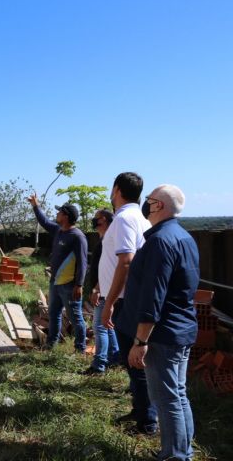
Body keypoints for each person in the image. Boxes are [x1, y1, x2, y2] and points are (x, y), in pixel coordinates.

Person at [118, 185, 199, 460]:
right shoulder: (184, 237)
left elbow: (153, 296)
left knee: (166, 400)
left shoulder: (159, 242)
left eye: (149, 200)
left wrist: (140, 341)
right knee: (177, 395)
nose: (145, 204)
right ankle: (182, 451)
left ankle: (175, 455)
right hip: (180, 330)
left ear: (159, 206)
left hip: (162, 335)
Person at [99, 172, 157, 435]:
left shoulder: (123, 219)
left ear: (117, 189)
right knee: (133, 362)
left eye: (112, 189)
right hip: (131, 299)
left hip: (124, 301)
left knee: (134, 362)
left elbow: (126, 261)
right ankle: (141, 411)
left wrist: (109, 301)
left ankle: (147, 422)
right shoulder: (141, 219)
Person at [28, 194, 88, 352]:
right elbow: (44, 221)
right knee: (54, 314)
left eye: (59, 212)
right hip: (55, 282)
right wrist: (35, 206)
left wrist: (79, 284)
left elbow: (83, 262)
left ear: (66, 216)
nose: (56, 214)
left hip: (69, 286)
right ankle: (50, 345)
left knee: (75, 319)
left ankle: (80, 349)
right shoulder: (58, 230)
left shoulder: (77, 237)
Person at [82, 208, 118, 375]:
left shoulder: (108, 241)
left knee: (99, 327)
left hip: (104, 290)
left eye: (96, 218)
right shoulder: (105, 239)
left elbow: (109, 269)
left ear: (103, 220)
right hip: (105, 289)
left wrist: (97, 288)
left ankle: (99, 365)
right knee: (108, 326)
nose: (94, 221)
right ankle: (115, 358)